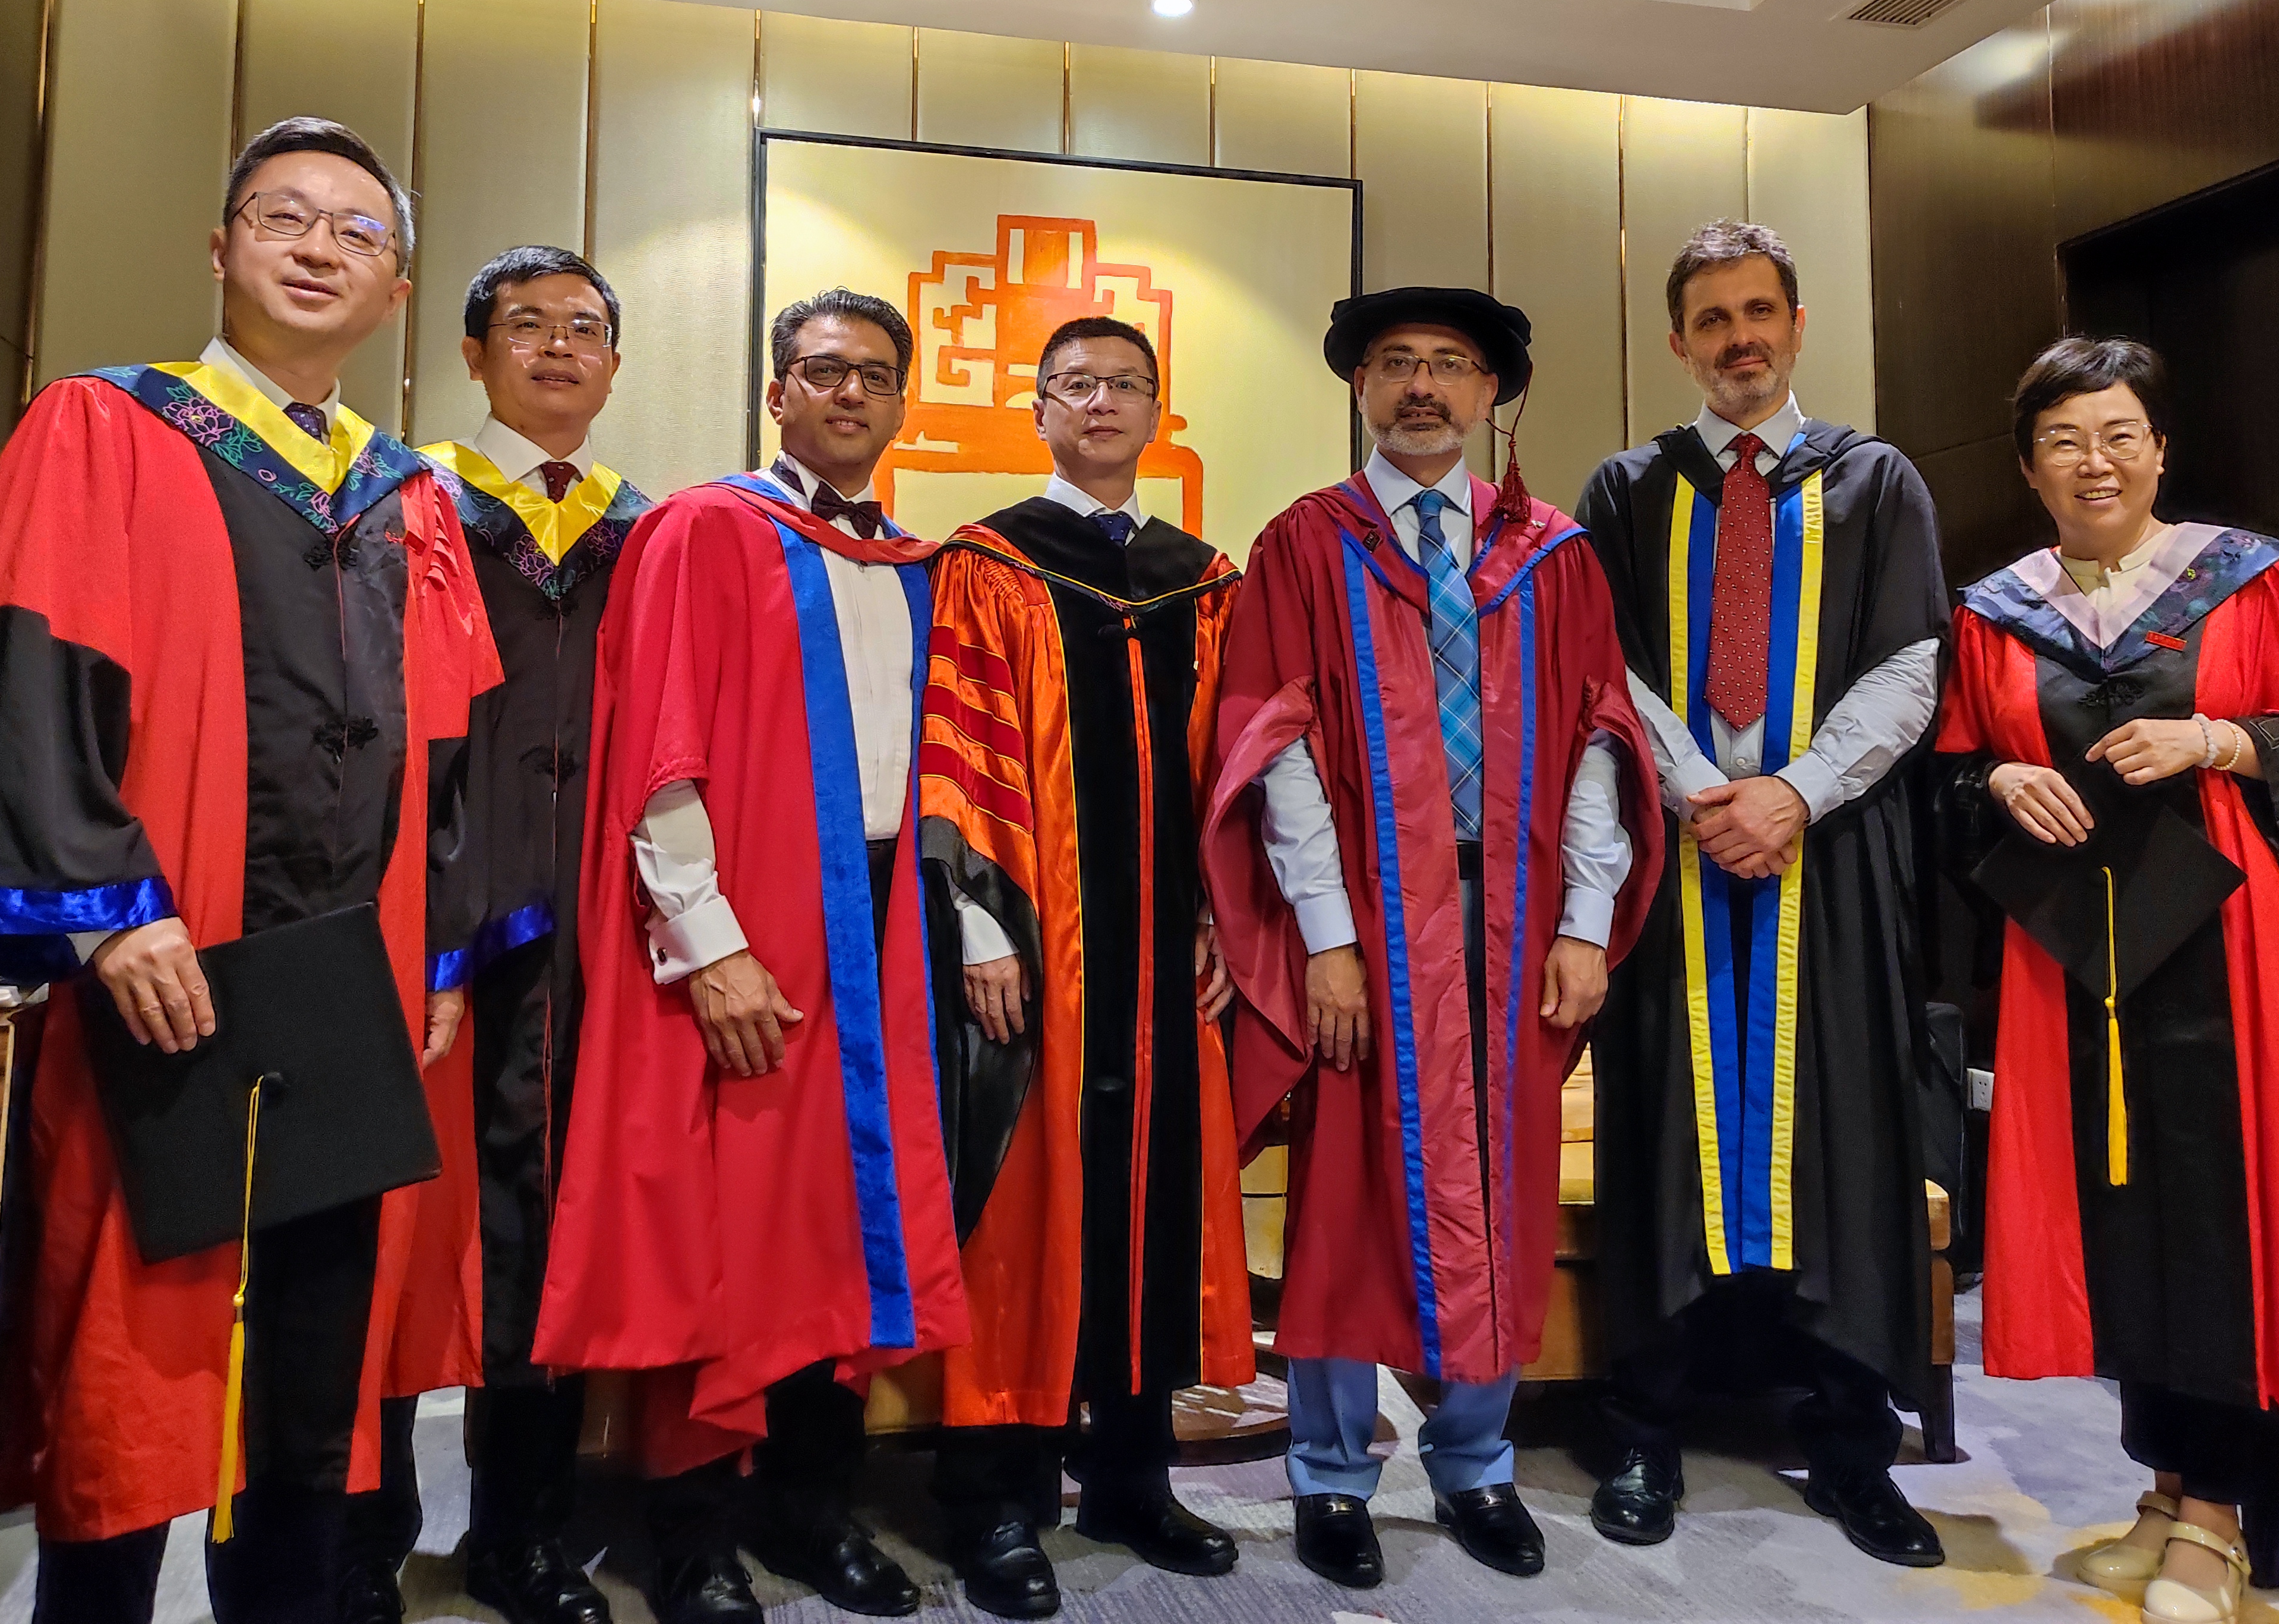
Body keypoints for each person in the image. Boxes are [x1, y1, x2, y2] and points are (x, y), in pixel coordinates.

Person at [0, 117, 494, 1624]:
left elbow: (447, 744)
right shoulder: (106, 426)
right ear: (221, 245)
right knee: (129, 1346)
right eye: (283, 217)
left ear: (393, 286)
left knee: (318, 1371)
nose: (318, 247)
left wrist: (441, 947)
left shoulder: (408, 496)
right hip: (166, 966)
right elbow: (29, 673)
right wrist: (104, 908)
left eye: (354, 232)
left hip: (352, 991)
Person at [1202, 285, 1661, 1589]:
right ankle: (1333, 1474)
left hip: (1513, 924)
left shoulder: (1552, 551)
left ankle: (1473, 1461)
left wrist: (1584, 925)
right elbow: (1275, 747)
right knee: (1343, 1201)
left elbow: (1594, 746)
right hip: (1368, 921)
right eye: (1396, 362)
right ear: (1358, 385)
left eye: (1449, 366)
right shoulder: (1305, 543)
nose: (1420, 385)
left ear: (1489, 394)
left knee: (1503, 1190)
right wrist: (1327, 939)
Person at [1937, 336, 2279, 1624]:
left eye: (2120, 433)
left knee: (2224, 1207)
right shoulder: (1992, 612)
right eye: (2068, 440)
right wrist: (1992, 780)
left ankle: (2220, 1516)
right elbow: (1951, 773)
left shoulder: (2254, 581)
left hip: (2229, 952)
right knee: (2120, 1207)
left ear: (2159, 448)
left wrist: (2222, 736)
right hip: (2078, 959)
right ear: (2030, 467)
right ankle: (2167, 1480)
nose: (2098, 460)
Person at [533, 290, 967, 1624]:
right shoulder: (705, 529)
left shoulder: (923, 561)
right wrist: (705, 942)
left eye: (875, 376)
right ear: (775, 391)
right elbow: (661, 751)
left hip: (884, 929)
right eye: (823, 371)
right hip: (750, 926)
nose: (849, 394)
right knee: (723, 1239)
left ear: (903, 403)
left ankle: (815, 1511)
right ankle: (692, 1536)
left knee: (843, 1231)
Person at [1577, 220, 1949, 1569]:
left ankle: (1855, 1441)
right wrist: (1701, 794)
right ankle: (1643, 1425)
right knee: (1669, 1132)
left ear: (1797, 324)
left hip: (1830, 858)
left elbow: (1912, 661)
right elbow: (1602, 666)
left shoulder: (1875, 477)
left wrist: (1792, 793)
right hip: (1675, 861)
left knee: (1842, 1125)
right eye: (1712, 318)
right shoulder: (1625, 487)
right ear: (1678, 341)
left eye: (1760, 311)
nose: (1739, 337)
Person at [917, 316, 1252, 1619]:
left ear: (1158, 408)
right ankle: (994, 1497)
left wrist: (1223, 914)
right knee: (1025, 1207)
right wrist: (982, 925)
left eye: (1123, 383)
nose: (1099, 401)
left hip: (1167, 957)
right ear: (1038, 408)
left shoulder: (1200, 577)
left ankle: (1130, 1473)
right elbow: (957, 745)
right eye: (1074, 384)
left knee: (1150, 1204)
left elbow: (1230, 767)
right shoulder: (989, 561)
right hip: (1039, 945)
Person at [340, 248, 650, 1624]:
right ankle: (363, 1537)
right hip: (439, 926)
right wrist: (434, 923)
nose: (558, 348)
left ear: (615, 363)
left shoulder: (651, 529)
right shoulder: (407, 506)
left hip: (601, 930)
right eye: (525, 324)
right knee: (404, 1224)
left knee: (551, 1224)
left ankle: (522, 1531)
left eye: (585, 328)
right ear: (472, 354)